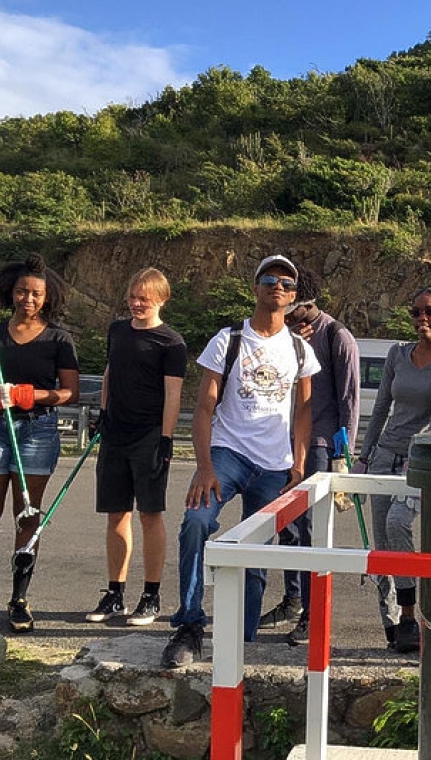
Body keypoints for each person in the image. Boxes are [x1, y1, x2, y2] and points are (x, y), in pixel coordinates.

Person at [162, 254, 320, 668]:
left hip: (274, 466)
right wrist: (204, 466)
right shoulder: (228, 339)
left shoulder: (301, 349)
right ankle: (190, 625)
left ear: (294, 295)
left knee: (255, 555)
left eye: (287, 283)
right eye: (270, 279)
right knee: (197, 522)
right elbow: (203, 408)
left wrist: (299, 467)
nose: (278, 287)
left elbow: (304, 412)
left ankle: (243, 640)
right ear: (255, 287)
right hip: (227, 454)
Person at [0, 254, 79, 632]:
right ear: (11, 292)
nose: (28, 299)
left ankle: (19, 600)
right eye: (22, 291)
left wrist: (30, 395)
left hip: (37, 432)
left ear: (47, 297)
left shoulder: (59, 338)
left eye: (36, 294)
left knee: (28, 518)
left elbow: (69, 393)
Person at [258, 266, 360, 647]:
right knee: (287, 525)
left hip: (320, 443)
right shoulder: (285, 334)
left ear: (307, 303)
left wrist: (343, 453)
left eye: (293, 305)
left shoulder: (338, 336)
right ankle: (293, 599)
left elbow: (349, 400)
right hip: (284, 443)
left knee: (314, 533)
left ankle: (316, 615)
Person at [355, 287, 431, 653]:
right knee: (381, 547)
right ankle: (391, 625)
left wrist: (420, 452)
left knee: (397, 523)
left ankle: (410, 614)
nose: (421, 319)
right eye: (415, 312)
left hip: (420, 457)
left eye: (429, 311)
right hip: (386, 452)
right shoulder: (397, 354)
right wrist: (364, 455)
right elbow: (381, 407)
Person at [86, 268, 187, 626]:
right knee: (116, 514)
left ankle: (151, 595)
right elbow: (110, 372)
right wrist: (102, 411)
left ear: (160, 299)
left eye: (144, 298)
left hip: (149, 435)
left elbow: (173, 394)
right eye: (132, 296)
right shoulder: (117, 330)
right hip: (116, 433)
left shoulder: (171, 343)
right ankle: (115, 593)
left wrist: (166, 437)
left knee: (150, 514)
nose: (136, 304)